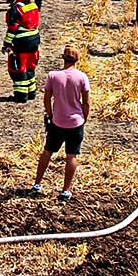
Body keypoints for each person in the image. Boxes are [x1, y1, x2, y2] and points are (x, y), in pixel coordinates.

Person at [33, 45, 90, 201]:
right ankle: (65, 190)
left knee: (47, 151)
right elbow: (86, 102)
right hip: (76, 122)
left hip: (57, 121)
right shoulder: (82, 77)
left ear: (63, 58)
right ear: (77, 60)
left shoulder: (53, 76)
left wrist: (51, 115)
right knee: (71, 156)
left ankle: (37, 184)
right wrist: (84, 117)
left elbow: (47, 99)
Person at [3, 0, 41, 103]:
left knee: (20, 67)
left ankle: (21, 95)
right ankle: (31, 92)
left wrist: (6, 44)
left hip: (22, 43)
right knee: (30, 66)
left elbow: (12, 29)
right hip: (34, 41)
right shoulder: (33, 5)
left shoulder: (15, 8)